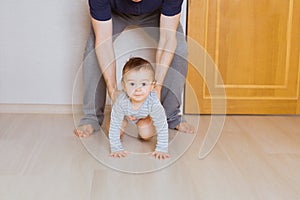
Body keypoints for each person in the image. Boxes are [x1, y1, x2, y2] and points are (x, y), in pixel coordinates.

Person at [74, 0, 195, 138]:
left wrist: (157, 88)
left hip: (156, 13)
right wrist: (113, 93)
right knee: (92, 50)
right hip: (115, 14)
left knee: (179, 49)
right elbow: (103, 42)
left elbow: (168, 39)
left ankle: (170, 116)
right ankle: (91, 118)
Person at [109, 57, 169, 159]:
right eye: (132, 84)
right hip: (125, 115)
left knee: (146, 134)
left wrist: (161, 149)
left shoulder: (153, 102)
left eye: (144, 84)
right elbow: (114, 126)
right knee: (114, 129)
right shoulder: (121, 101)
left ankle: (147, 122)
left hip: (145, 116)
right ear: (123, 86)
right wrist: (116, 148)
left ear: (152, 86)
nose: (138, 89)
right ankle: (121, 122)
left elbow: (162, 125)